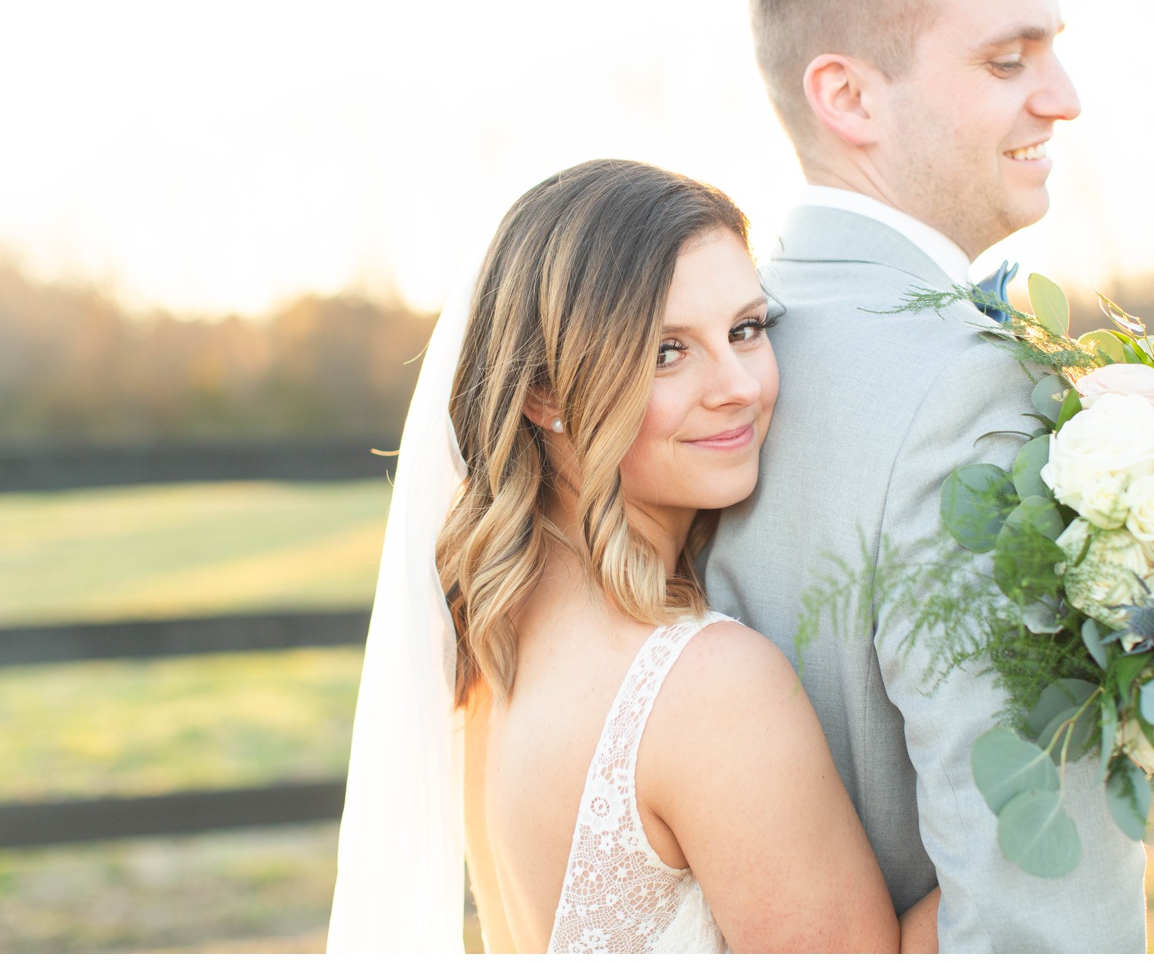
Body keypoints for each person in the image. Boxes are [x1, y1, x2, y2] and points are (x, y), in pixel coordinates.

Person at [704, 0, 1147, 952]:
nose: (1064, 97)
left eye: (1054, 51)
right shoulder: (970, 389)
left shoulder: (717, 353)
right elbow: (1035, 893)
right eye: (1007, 61)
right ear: (848, 95)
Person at [328, 159, 914, 953]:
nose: (738, 384)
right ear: (544, 396)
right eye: (668, 350)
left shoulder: (490, 645)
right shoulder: (710, 687)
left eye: (746, 329)